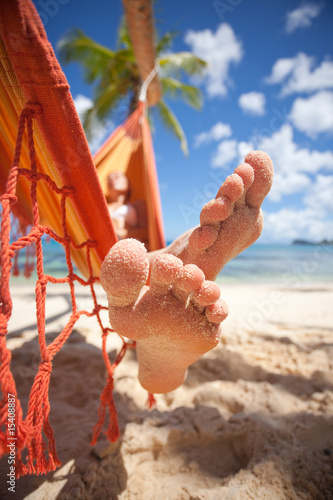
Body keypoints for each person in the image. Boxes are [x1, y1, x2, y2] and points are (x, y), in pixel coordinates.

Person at [101, 151, 274, 394]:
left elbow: (142, 227)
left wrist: (121, 229)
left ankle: (180, 260)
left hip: (140, 257)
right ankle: (183, 259)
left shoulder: (137, 205)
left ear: (130, 185)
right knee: (140, 265)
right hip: (116, 258)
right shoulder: (97, 203)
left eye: (119, 175)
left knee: (141, 263)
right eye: (109, 176)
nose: (113, 178)